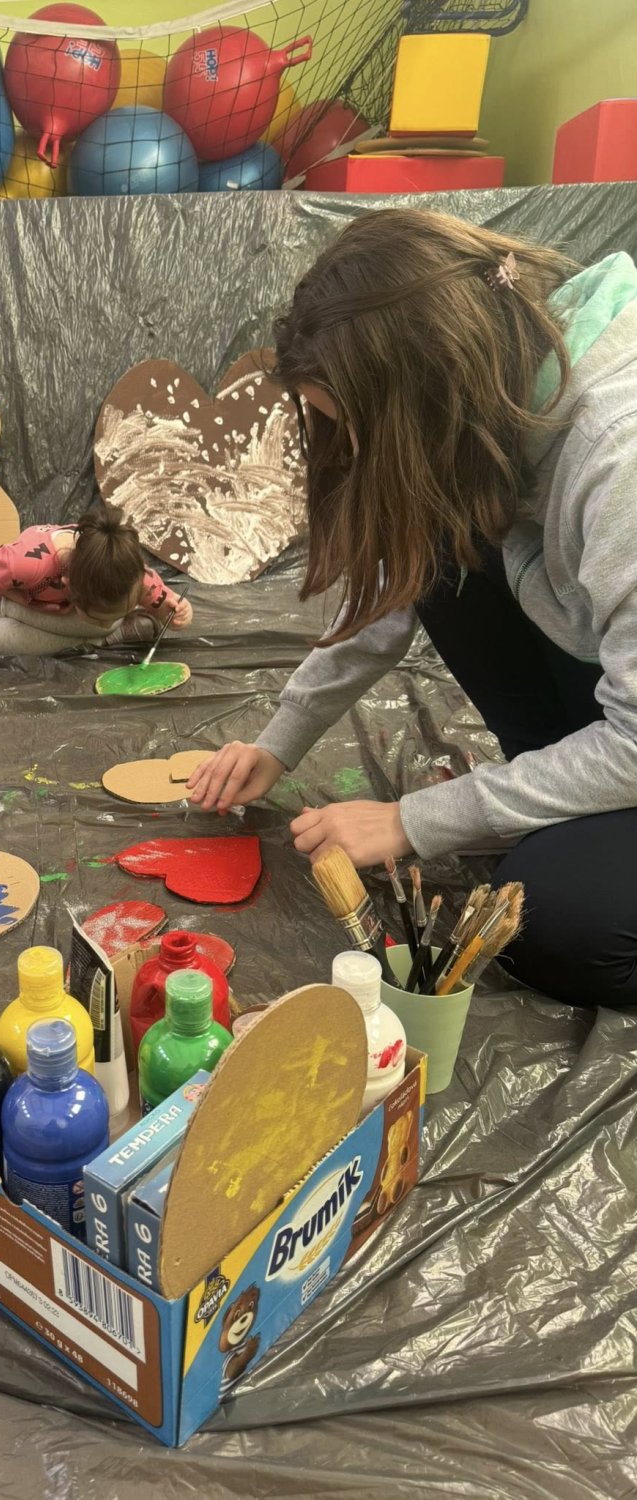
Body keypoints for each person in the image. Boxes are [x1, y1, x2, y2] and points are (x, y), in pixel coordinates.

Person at [189, 208, 637, 1009]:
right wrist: (277, 744)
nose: (354, 454)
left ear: (433, 393)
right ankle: (564, 812)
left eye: (358, 430)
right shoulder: (500, 396)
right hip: (615, 705)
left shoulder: (620, 456)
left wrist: (414, 820)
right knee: (437, 536)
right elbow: (395, 583)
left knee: (554, 920)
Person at [0, 505, 193, 656]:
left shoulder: (131, 575)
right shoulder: (24, 564)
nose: (106, 622)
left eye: (114, 615)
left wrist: (181, 613)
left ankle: (105, 636)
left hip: (63, 614)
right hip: (21, 600)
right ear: (67, 584)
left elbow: (169, 609)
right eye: (98, 617)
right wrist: (6, 600)